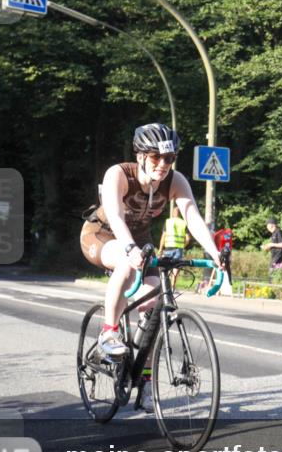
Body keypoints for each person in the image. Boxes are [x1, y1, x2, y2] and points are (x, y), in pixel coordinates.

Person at [80, 123, 223, 357]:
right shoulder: (119, 174)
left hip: (141, 242)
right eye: (156, 157)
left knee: (153, 306)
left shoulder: (175, 181)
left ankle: (144, 379)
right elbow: (116, 217)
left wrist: (214, 253)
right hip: (102, 235)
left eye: (169, 158)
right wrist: (129, 248)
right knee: (126, 264)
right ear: (140, 156)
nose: (163, 164)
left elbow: (193, 218)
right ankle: (109, 331)